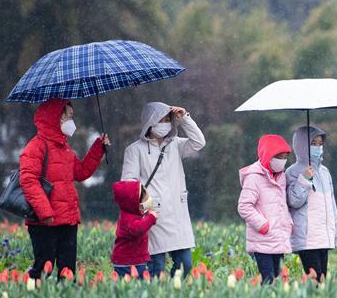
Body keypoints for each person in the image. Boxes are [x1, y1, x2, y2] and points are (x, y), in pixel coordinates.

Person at [19, 98, 109, 280]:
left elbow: (81, 172)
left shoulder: (64, 148)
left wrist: (98, 148)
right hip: (44, 222)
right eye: (69, 116)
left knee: (67, 271)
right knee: (44, 269)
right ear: (57, 118)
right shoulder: (35, 147)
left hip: (68, 219)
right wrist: (45, 212)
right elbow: (28, 181)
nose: (72, 121)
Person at [122, 103, 205, 278]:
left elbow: (199, 142)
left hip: (177, 215)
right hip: (153, 217)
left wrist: (185, 119)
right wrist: (146, 204)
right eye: (161, 120)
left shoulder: (175, 145)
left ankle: (174, 295)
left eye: (169, 119)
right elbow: (128, 183)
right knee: (155, 267)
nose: (166, 123)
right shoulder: (134, 150)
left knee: (185, 264)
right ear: (150, 122)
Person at [286, 126, 337, 281]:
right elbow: (294, 201)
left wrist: (335, 233)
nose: (317, 148)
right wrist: (304, 179)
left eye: (320, 144)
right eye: (313, 144)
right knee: (315, 280)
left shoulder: (325, 172)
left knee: (322, 280)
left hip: (323, 236)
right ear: (302, 146)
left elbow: (331, 206)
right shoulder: (293, 172)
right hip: (307, 238)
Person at [238, 134, 293, 284]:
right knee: (268, 280)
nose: (282, 161)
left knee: (277, 279)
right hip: (262, 239)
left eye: (285, 157)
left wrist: (289, 223)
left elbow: (282, 204)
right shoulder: (254, 177)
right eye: (279, 156)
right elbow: (244, 206)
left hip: (278, 238)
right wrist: (263, 225)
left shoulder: (281, 177)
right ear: (268, 155)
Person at [110, 180, 158, 278]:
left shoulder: (133, 213)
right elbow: (138, 229)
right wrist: (151, 218)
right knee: (133, 287)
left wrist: (148, 215)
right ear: (135, 203)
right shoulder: (127, 218)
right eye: (146, 198)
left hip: (135, 259)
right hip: (127, 262)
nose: (149, 200)